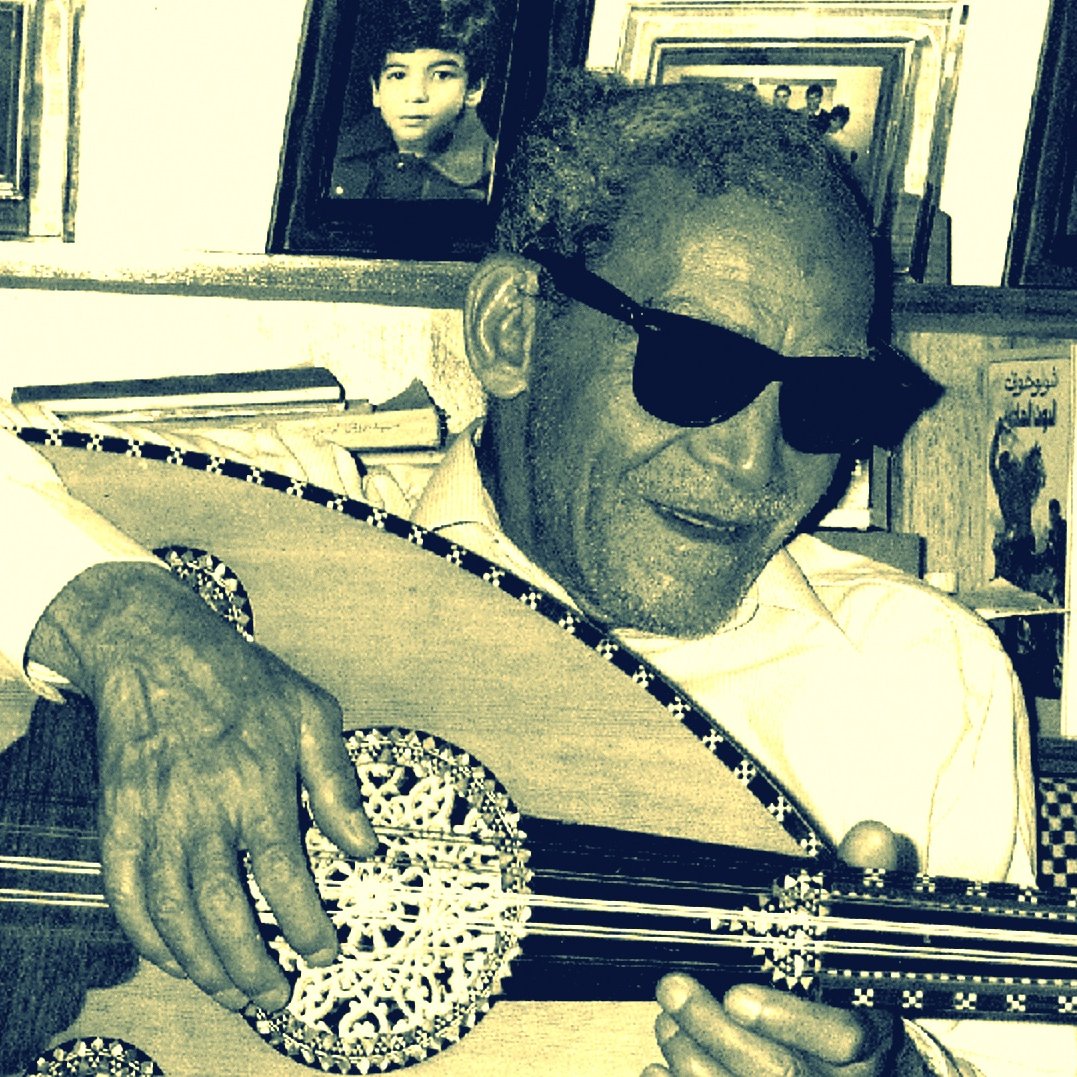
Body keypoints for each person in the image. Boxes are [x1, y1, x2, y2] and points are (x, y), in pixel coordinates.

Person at [0, 72, 1070, 1075]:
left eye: (824, 402)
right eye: (698, 367)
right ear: (513, 330)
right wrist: (132, 632)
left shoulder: (922, 677)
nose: (755, 462)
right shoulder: (281, 530)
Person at [328, 0, 500, 201]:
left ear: (474, 89)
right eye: (398, 75)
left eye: (441, 75)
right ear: (376, 91)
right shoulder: (342, 168)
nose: (416, 94)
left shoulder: (491, 183)